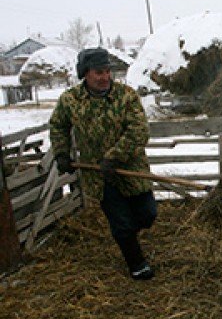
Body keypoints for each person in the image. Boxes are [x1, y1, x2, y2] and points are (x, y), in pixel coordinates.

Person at [49, 47, 157, 280]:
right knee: (121, 224)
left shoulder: (126, 96)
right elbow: (58, 125)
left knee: (148, 214)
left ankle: (129, 235)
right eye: (99, 72)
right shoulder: (71, 100)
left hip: (131, 168)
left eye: (108, 71)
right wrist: (61, 153)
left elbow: (139, 131)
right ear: (85, 74)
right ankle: (137, 264)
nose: (105, 77)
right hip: (99, 174)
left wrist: (115, 156)